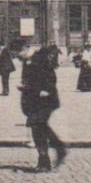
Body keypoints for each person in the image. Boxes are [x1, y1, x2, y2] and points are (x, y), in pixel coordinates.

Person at [20, 43, 68, 173]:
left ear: (25, 49)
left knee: (38, 125)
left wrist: (46, 89)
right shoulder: (27, 61)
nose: (18, 56)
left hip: (45, 99)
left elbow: (50, 75)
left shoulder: (39, 58)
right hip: (34, 99)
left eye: (18, 53)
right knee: (38, 127)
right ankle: (45, 159)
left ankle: (56, 151)